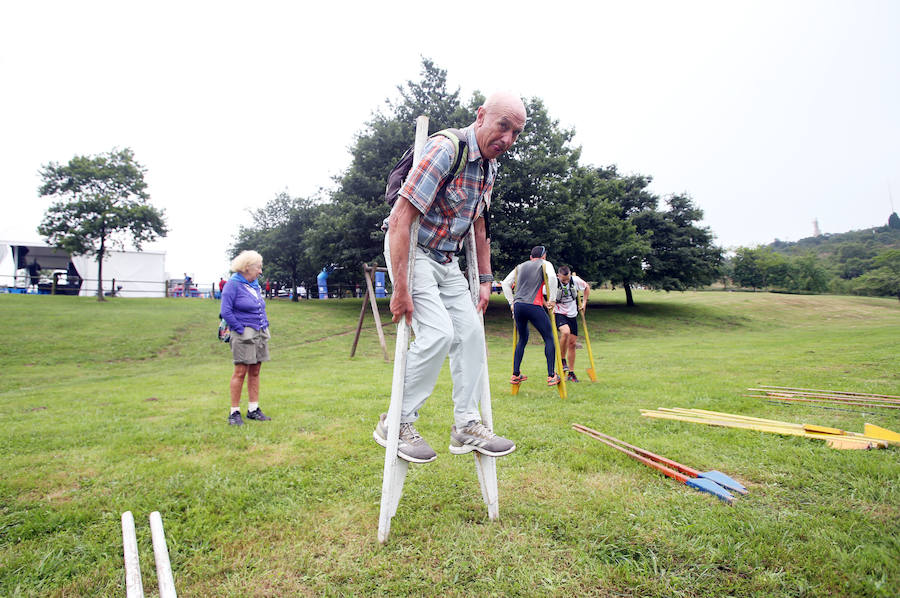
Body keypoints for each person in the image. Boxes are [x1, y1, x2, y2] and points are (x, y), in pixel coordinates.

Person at [373, 91, 526, 464]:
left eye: (516, 133)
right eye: (502, 126)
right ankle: (396, 421)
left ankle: (466, 425)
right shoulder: (445, 149)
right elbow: (400, 219)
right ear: (481, 116)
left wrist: (487, 280)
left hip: (447, 260)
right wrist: (401, 288)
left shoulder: (490, 166)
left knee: (472, 333)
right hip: (413, 251)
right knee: (438, 332)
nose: (507, 139)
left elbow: (478, 225)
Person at [220, 250, 272, 426]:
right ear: (247, 267)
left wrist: (264, 324)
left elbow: (259, 306)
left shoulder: (254, 284)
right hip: (244, 334)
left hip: (260, 331)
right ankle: (234, 413)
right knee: (240, 372)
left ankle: (253, 409)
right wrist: (240, 329)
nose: (260, 271)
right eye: (258, 267)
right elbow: (225, 311)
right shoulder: (232, 285)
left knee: (255, 371)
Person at [501, 246, 560, 387]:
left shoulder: (520, 266)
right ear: (544, 255)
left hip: (519, 306)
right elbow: (552, 277)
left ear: (530, 257)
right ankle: (551, 375)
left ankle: (515, 374)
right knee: (549, 337)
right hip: (533, 305)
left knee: (522, 339)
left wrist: (511, 302)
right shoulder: (545, 264)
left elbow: (505, 283)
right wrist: (552, 299)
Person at [553, 266, 590, 382]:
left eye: (567, 279)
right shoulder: (553, 282)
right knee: (565, 332)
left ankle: (571, 373)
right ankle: (562, 360)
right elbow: (541, 292)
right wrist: (547, 304)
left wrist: (584, 303)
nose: (566, 281)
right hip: (559, 313)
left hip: (572, 314)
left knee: (572, 344)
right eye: (563, 280)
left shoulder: (575, 280)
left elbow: (586, 287)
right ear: (558, 276)